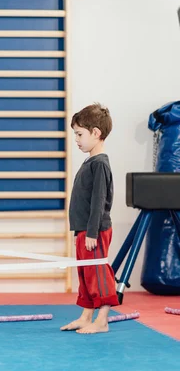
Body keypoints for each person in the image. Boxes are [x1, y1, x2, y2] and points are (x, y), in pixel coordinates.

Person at [61, 103, 119, 334]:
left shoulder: (100, 164)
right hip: (84, 230)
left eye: (79, 134)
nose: (76, 139)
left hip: (94, 231)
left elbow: (99, 201)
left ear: (96, 133)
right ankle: (87, 316)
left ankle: (102, 320)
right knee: (85, 274)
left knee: (98, 274)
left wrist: (93, 233)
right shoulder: (91, 162)